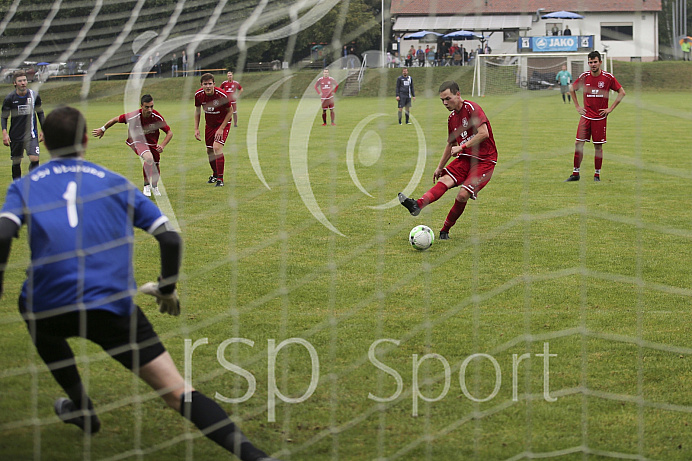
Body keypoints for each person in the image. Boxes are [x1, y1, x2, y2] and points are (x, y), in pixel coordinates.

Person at [0, 106, 279, 461]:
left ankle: (82, 406)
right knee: (177, 390)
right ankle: (254, 456)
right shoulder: (115, 183)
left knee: (34, 312)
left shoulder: (23, 186)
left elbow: (4, 232)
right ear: (86, 140)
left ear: (45, 142)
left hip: (48, 302)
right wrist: (166, 286)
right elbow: (171, 239)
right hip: (112, 307)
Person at [398, 80, 498, 240]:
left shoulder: (472, 108)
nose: (445, 103)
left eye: (448, 98)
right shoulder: (452, 118)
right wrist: (439, 167)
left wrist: (462, 146)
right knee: (444, 179)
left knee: (462, 195)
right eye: (442, 100)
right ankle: (417, 205)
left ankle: (445, 229)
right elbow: (450, 144)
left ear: (458, 95)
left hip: (485, 160)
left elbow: (483, 133)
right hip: (466, 158)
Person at [91, 94, 172, 197]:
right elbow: (115, 119)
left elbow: (169, 133)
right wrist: (102, 129)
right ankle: (146, 186)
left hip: (152, 143)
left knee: (155, 164)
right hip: (136, 141)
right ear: (141, 106)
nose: (150, 109)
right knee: (149, 158)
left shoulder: (156, 117)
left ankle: (155, 187)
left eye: (152, 106)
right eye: (147, 107)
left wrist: (162, 145)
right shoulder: (134, 116)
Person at [565, 51, 625, 182]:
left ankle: (596, 175)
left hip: (600, 118)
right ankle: (576, 173)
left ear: (600, 62)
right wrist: (577, 106)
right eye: (590, 62)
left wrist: (610, 108)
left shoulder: (608, 78)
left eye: (595, 62)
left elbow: (622, 92)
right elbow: (571, 88)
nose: (593, 65)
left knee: (598, 147)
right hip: (586, 117)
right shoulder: (584, 76)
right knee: (578, 143)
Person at [2, 71, 44, 179]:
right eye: (20, 81)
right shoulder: (9, 98)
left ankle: (33, 182)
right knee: (16, 162)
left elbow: (40, 113)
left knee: (34, 158)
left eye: (24, 80)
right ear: (14, 83)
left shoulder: (34, 96)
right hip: (16, 136)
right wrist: (5, 133)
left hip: (31, 135)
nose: (23, 83)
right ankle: (18, 186)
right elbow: (4, 117)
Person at [194, 73, 232, 186]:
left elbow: (230, 111)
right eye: (205, 84)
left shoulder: (221, 95)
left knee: (216, 147)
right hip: (209, 125)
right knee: (209, 151)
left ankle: (220, 179)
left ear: (214, 84)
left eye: (210, 84)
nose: (208, 86)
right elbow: (197, 111)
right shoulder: (198, 95)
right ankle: (215, 175)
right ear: (201, 85)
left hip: (223, 124)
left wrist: (221, 128)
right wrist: (196, 128)